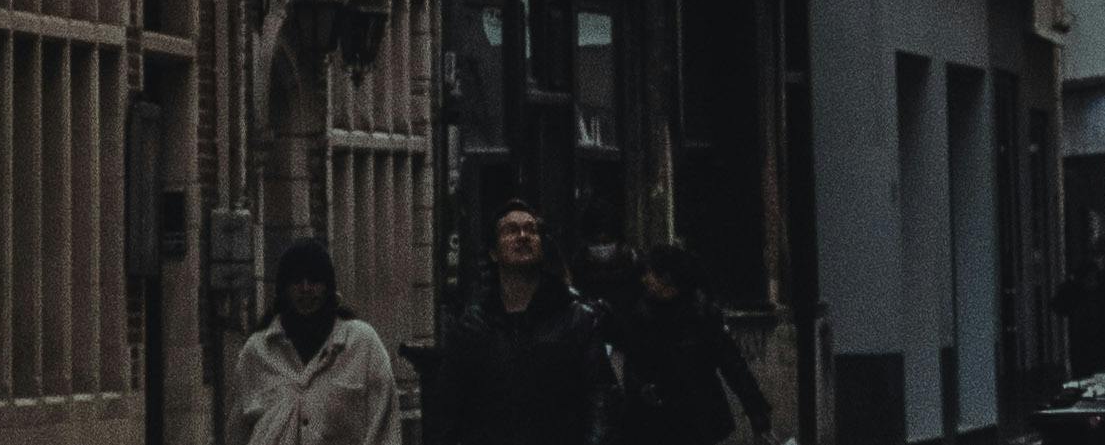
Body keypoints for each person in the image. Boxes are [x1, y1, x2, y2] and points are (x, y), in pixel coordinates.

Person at [420, 200, 614, 445]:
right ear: (493, 252)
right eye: (511, 230)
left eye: (531, 230)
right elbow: (448, 412)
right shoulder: (473, 328)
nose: (523, 236)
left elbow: (600, 402)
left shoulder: (577, 320)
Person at [232, 236, 401, 445]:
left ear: (328, 287)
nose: (305, 288)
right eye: (296, 281)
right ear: (284, 289)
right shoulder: (257, 352)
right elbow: (238, 430)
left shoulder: (362, 345)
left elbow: (385, 428)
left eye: (314, 280)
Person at [613, 244, 771, 445]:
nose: (645, 279)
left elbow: (733, 365)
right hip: (655, 420)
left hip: (698, 417)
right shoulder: (642, 315)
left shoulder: (701, 315)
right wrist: (641, 389)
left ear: (666, 277)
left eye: (650, 273)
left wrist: (757, 412)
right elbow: (633, 364)